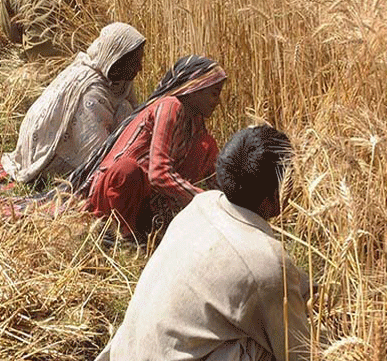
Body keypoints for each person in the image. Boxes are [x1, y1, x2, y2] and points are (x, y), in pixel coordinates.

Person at [94, 125, 310, 361]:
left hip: (125, 354)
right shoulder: (267, 263)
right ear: (274, 195)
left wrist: (303, 284)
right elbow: (300, 351)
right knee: (263, 348)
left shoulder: (201, 205)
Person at [69, 55, 227, 240]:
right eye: (214, 93)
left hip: (147, 198)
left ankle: (155, 223)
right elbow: (159, 174)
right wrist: (204, 200)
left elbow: (214, 179)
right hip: (117, 196)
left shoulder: (196, 124)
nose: (217, 102)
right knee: (127, 170)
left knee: (206, 145)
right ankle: (122, 233)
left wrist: (226, 206)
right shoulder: (170, 107)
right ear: (193, 89)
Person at [0, 22, 145, 186]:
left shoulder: (116, 79)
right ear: (116, 60)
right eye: (135, 62)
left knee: (125, 109)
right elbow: (97, 155)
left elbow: (135, 114)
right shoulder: (91, 94)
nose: (140, 67)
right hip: (47, 154)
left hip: (68, 141)